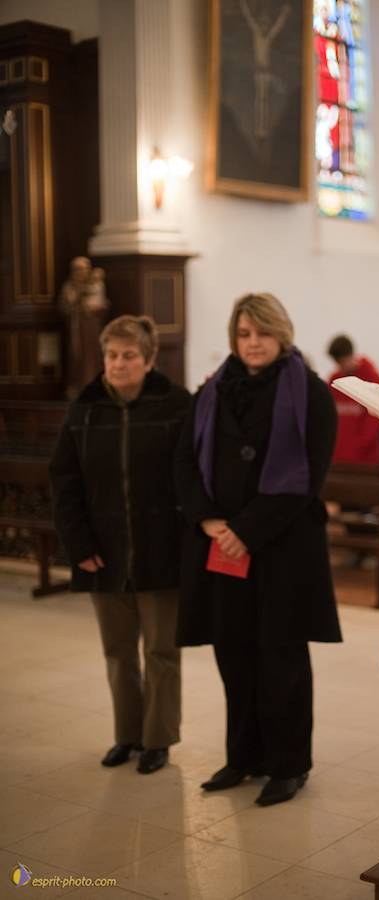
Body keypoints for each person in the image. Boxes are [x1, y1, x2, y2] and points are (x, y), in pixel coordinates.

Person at [175, 292, 342, 806]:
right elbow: (183, 460)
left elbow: (308, 475)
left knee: (281, 655)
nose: (253, 343)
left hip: (284, 547)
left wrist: (245, 527)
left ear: (281, 334)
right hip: (222, 544)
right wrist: (207, 517)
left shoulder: (310, 392)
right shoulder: (212, 390)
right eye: (244, 334)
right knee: (234, 651)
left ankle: (289, 765)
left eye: (262, 333)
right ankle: (243, 756)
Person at [49, 315, 190, 775]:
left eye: (129, 355)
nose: (118, 364)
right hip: (103, 551)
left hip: (160, 550)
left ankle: (158, 739)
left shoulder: (175, 406)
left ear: (149, 360)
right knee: (117, 650)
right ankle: (126, 735)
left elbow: (192, 480)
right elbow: (64, 483)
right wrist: (78, 544)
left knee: (162, 651)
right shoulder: (84, 409)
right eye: (112, 355)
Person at [327, 334, 379, 464]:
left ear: (351, 355)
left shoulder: (372, 379)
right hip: (338, 457)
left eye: (342, 362)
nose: (340, 367)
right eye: (337, 363)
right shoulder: (334, 380)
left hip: (366, 459)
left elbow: (375, 420)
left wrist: (357, 446)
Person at [58, 256, 109, 397]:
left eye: (85, 268)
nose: (82, 272)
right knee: (78, 356)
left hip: (93, 326)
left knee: (94, 355)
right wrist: (77, 301)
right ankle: (77, 387)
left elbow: (102, 304)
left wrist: (96, 307)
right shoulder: (69, 286)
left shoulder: (97, 285)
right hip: (77, 326)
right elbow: (65, 307)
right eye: (78, 269)